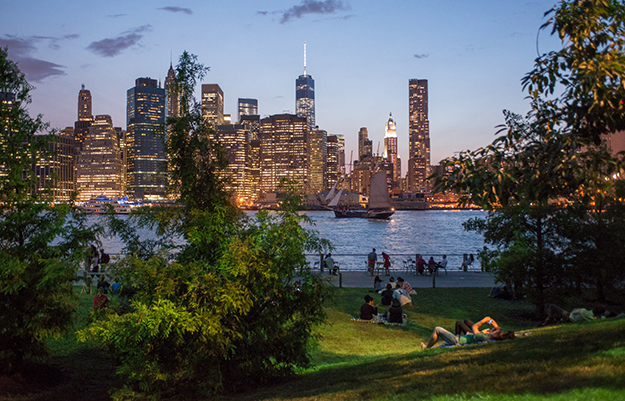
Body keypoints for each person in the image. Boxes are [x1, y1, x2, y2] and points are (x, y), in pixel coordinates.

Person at [421, 316, 514, 349]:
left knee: (437, 329)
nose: (491, 331)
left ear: (496, 335)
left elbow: (474, 327)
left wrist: (484, 320)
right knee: (441, 344)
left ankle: (426, 348)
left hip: (457, 340)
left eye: (494, 332)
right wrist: (490, 324)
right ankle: (428, 347)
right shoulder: (487, 336)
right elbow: (495, 328)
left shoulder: (483, 337)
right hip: (460, 338)